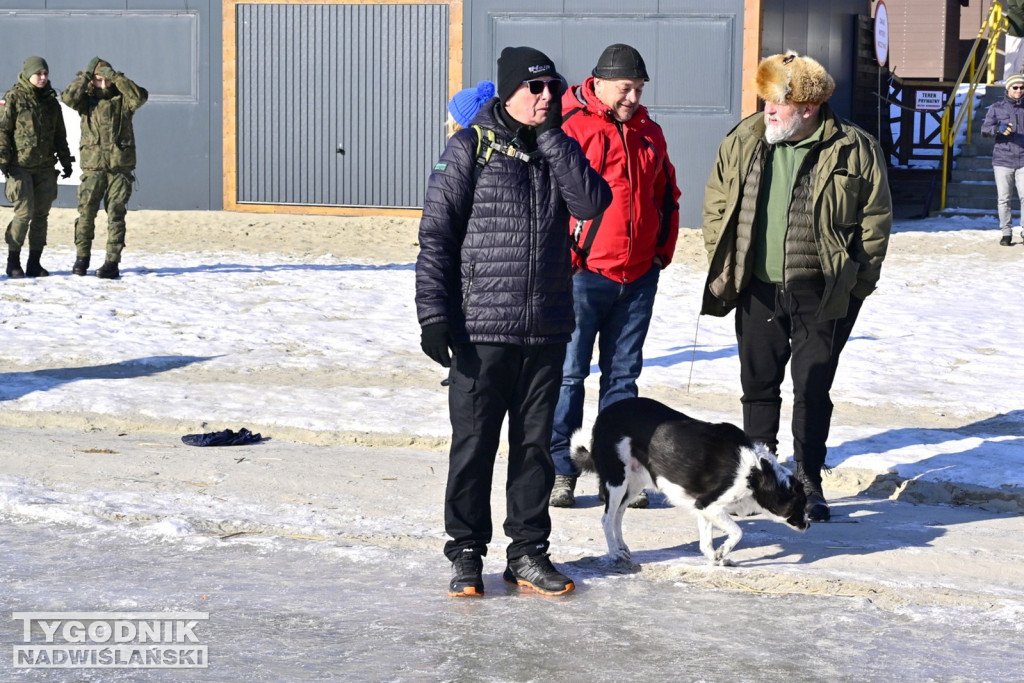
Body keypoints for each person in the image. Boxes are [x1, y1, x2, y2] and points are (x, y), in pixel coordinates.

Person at [416, 46, 611, 597]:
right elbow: (436, 238)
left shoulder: (558, 146)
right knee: (474, 445)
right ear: (508, 92)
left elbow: (591, 202)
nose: (546, 97)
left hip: (546, 327)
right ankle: (466, 553)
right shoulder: (468, 149)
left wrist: (550, 138)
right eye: (535, 89)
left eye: (553, 87)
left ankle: (527, 552)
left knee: (534, 450)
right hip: (481, 329)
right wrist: (434, 316)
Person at [700, 51, 893, 522]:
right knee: (758, 386)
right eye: (763, 98)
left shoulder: (855, 147)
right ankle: (759, 478)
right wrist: (722, 259)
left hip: (824, 292)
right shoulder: (745, 138)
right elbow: (716, 203)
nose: (767, 109)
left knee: (812, 387)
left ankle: (808, 478)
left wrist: (856, 284)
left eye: (777, 101)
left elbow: (876, 222)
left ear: (807, 107)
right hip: (758, 286)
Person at [548, 44, 680, 509]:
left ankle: (616, 473)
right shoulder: (570, 127)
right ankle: (560, 471)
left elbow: (667, 194)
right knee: (568, 376)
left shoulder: (650, 132)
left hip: (638, 275)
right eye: (626, 88)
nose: (632, 97)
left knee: (623, 379)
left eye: (639, 89)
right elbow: (550, 200)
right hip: (583, 275)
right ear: (599, 83)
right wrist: (566, 258)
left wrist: (661, 253)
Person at [61, 57, 148, 279]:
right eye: (98, 80)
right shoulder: (86, 101)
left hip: (119, 168)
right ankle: (82, 258)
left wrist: (117, 77)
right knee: (86, 214)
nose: (103, 84)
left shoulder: (123, 100)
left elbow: (139, 97)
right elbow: (68, 98)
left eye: (106, 80)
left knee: (116, 215)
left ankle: (112, 262)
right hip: (93, 167)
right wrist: (85, 75)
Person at [0, 56, 73, 279]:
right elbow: (2, 131)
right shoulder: (14, 98)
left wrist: (65, 160)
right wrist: (3, 158)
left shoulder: (51, 102)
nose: (42, 78)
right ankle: (13, 261)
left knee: (41, 215)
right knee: (24, 214)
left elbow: (60, 134)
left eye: (45, 74)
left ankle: (34, 262)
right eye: (38, 74)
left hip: (44, 167)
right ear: (28, 74)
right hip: (20, 166)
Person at [981, 72, 1024, 246]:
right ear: (1008, 88)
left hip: (1023, 160)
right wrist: (997, 128)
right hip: (1003, 160)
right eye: (1015, 87)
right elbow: (985, 129)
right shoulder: (996, 107)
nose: (1019, 91)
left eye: (1022, 88)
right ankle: (1006, 233)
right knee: (1004, 199)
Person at [1004, 0, 1024, 83]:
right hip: (1015, 29)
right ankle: (1007, 80)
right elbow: (1021, 4)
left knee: (1019, 60)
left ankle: (1016, 81)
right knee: (1011, 59)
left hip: (1021, 28)